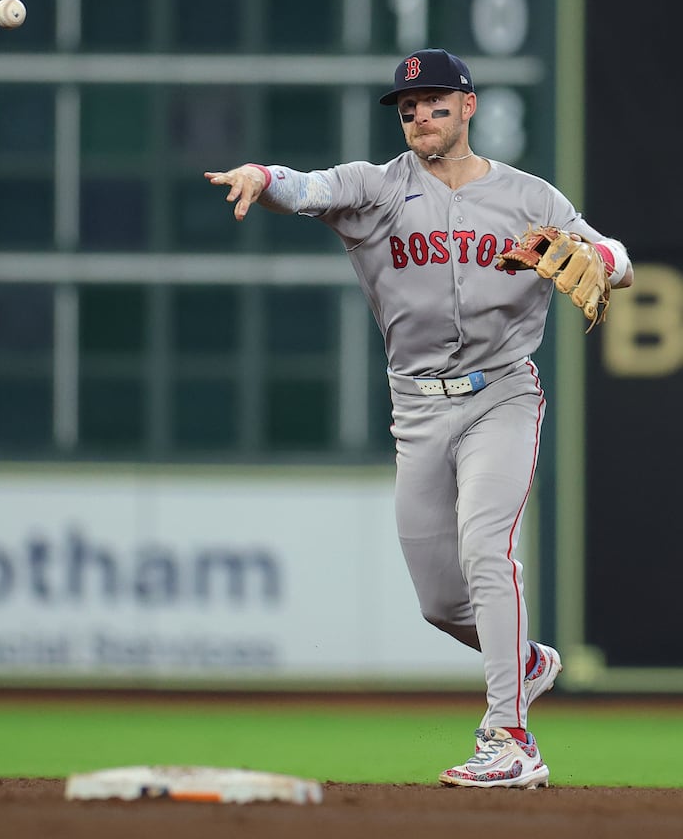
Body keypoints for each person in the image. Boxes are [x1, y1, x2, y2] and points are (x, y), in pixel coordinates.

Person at [204, 48, 633, 789]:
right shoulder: (374, 190)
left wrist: (591, 253)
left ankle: (511, 736)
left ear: (469, 107)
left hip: (502, 394)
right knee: (439, 600)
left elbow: (619, 259)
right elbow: (303, 188)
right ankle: (527, 663)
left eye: (435, 103)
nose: (419, 116)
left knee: (485, 550)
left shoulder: (530, 196)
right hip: (417, 407)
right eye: (407, 107)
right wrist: (260, 178)